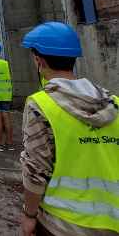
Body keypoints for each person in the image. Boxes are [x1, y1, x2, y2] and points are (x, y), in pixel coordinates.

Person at [20, 22, 119, 236]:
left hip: (62, 222)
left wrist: (29, 215)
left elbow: (35, 171)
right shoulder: (114, 104)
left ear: (39, 60)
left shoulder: (41, 105)